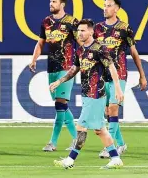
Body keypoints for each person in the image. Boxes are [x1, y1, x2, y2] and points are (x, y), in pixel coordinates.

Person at [51, 19, 124, 169]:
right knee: (100, 130)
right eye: (79, 30)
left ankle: (70, 160)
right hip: (87, 95)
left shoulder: (99, 48)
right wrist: (59, 81)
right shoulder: (80, 50)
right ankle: (116, 159)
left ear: (91, 31)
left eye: (83, 30)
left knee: (81, 127)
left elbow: (111, 66)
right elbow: (74, 69)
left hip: (96, 94)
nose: (80, 33)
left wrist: (117, 87)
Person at [94, 0, 147, 158]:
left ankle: (109, 148)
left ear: (116, 9)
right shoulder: (97, 28)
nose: (105, 8)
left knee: (113, 108)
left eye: (109, 6)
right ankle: (121, 144)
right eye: (104, 6)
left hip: (120, 73)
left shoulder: (125, 28)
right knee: (107, 112)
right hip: (102, 75)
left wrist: (142, 75)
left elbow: (134, 52)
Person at [29, 0, 79, 151]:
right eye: (50, 1)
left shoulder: (72, 22)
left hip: (67, 67)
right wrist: (34, 59)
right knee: (61, 106)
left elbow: (81, 42)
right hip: (51, 67)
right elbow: (40, 43)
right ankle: (76, 138)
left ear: (62, 4)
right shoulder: (46, 22)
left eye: (54, 2)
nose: (51, 4)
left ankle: (53, 142)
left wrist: (82, 62)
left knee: (60, 104)